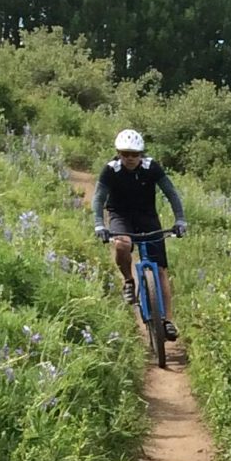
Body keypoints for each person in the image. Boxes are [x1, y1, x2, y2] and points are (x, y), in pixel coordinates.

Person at [91, 128, 187, 341]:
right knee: (122, 245)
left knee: (160, 270)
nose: (130, 158)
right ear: (118, 153)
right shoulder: (110, 170)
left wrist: (180, 219)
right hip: (120, 215)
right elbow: (98, 198)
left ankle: (168, 321)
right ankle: (128, 280)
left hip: (147, 216)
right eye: (125, 154)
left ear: (142, 154)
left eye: (135, 154)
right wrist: (99, 224)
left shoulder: (151, 167)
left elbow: (171, 193)